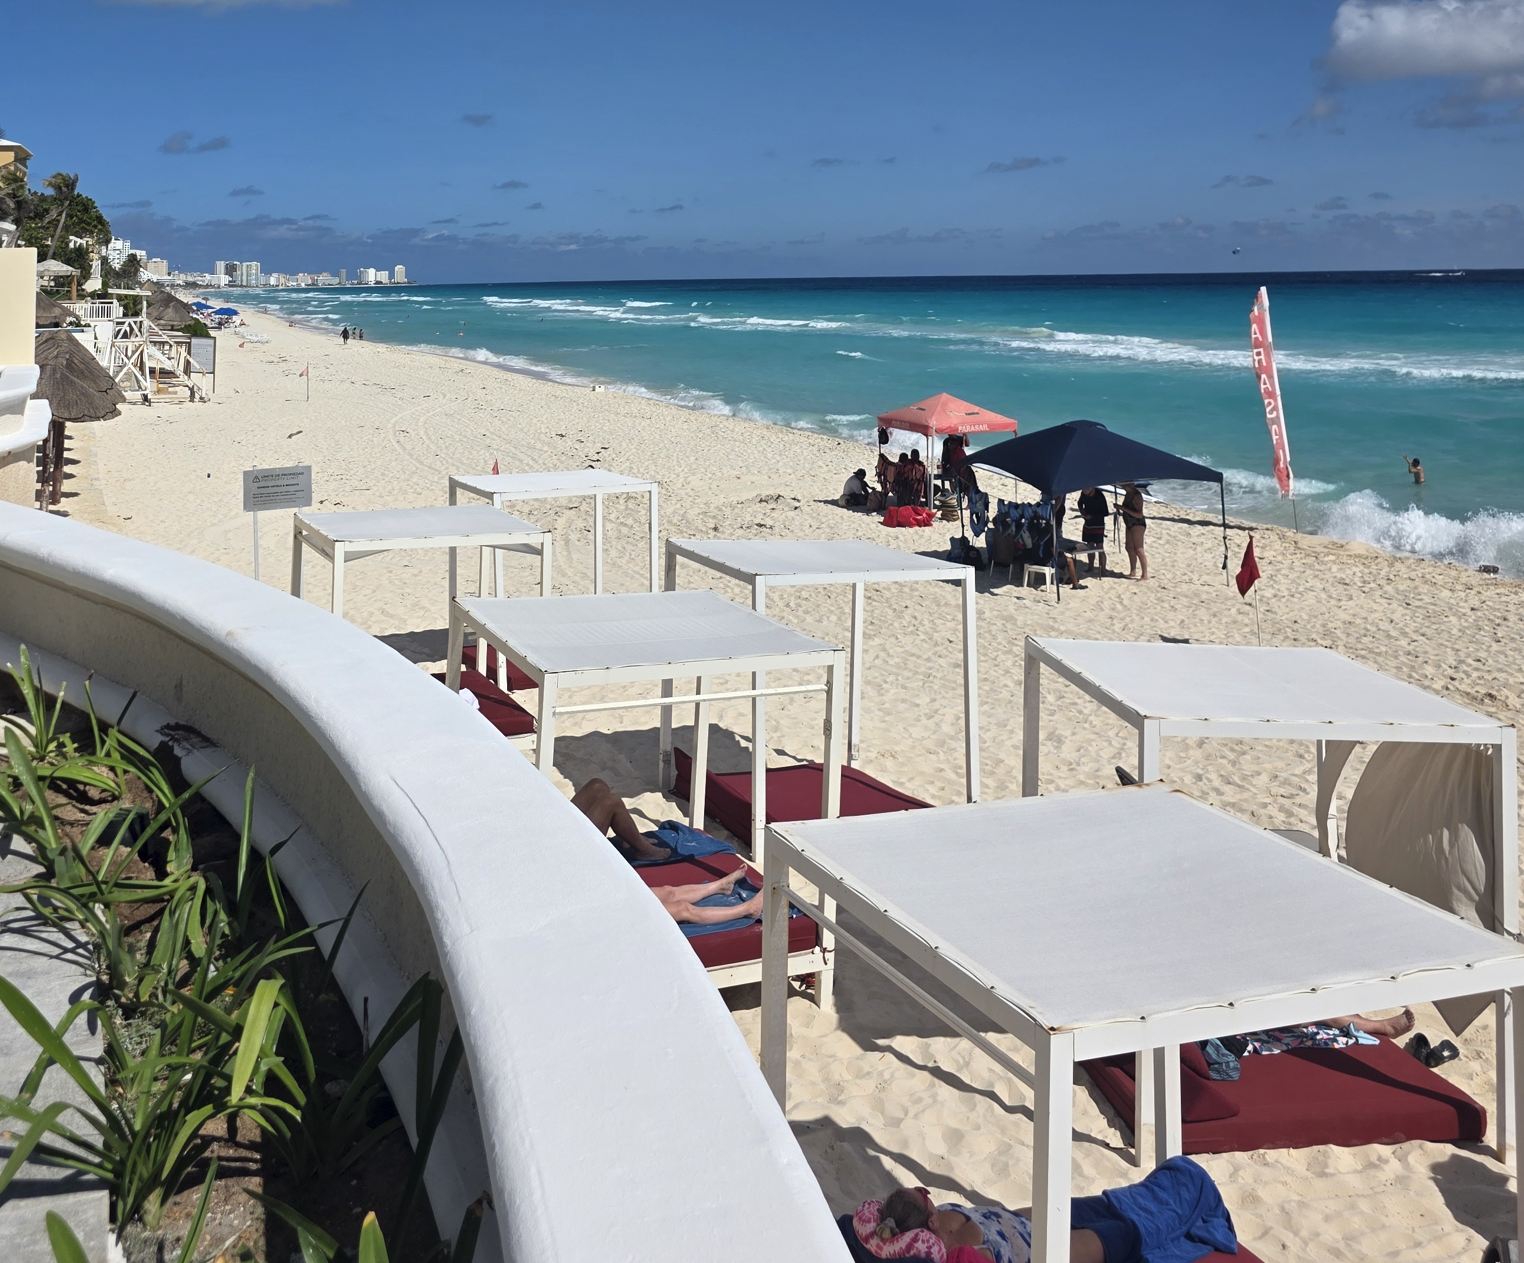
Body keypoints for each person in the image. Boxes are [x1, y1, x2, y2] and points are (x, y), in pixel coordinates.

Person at [851, 1154, 1236, 1263]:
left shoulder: (925, 1231)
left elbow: (866, 1228)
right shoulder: (958, 1255)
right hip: (1049, 1253)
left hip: (1026, 1222)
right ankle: (1193, 1193)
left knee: (1115, 1206)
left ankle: (1187, 1183)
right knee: (1135, 1232)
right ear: (930, 1217)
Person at [571, 779, 763, 925]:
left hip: (589, 893)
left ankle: (720, 886)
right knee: (683, 909)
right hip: (594, 908)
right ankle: (748, 909)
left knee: (668, 892)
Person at [1076, 486, 1110, 574]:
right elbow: (1079, 503)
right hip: (1088, 523)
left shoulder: (1099, 495)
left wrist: (1093, 516)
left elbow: (1105, 512)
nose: (1085, 491)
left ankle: (1103, 569)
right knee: (1090, 546)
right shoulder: (1083, 493)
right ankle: (1090, 567)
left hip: (1098, 524)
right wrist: (1083, 513)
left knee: (1099, 547)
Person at [1120, 482, 1148, 580]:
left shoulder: (1137, 496)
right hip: (1129, 522)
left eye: (1123, 485)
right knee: (1129, 547)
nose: (1122, 486)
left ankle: (1145, 574)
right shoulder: (1128, 494)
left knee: (1139, 549)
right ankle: (1133, 571)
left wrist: (1123, 508)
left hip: (1137, 523)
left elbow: (1139, 514)